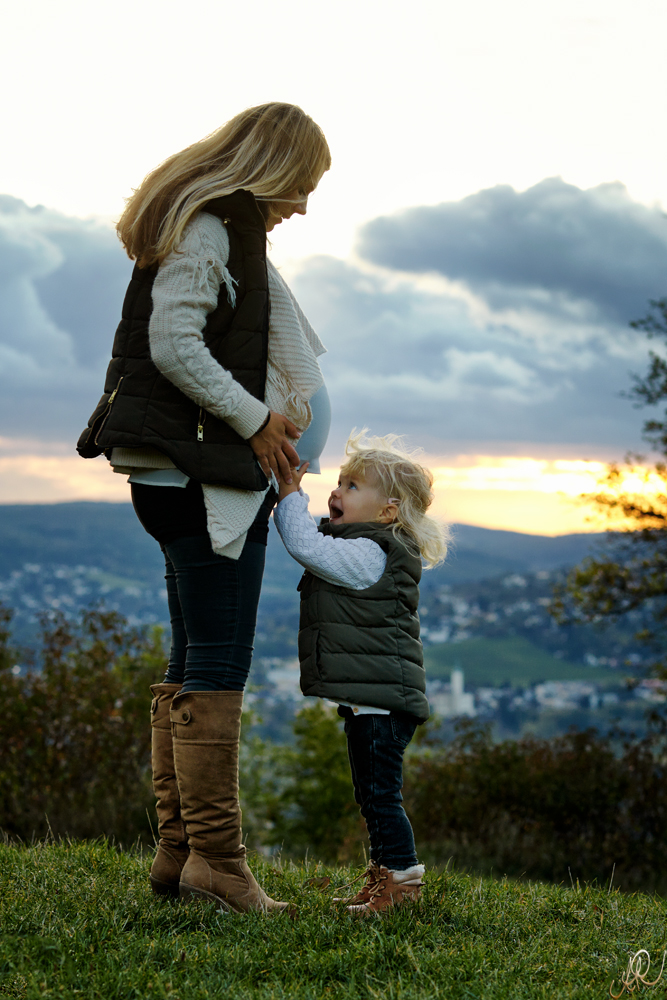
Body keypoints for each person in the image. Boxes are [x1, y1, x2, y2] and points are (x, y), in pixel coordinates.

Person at [77, 103, 331, 913]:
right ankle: (219, 864)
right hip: (196, 475)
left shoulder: (213, 225)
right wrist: (258, 420)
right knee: (218, 666)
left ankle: (179, 856)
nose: (302, 204)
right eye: (303, 184)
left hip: (186, 473)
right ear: (275, 166)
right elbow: (173, 344)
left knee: (192, 662)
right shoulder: (210, 228)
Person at [273, 430, 448, 915]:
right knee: (371, 796)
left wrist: (290, 493)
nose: (337, 491)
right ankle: (384, 877)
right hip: (375, 702)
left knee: (380, 797)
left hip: (382, 705)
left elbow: (306, 546)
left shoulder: (371, 552)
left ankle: (402, 884)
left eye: (353, 486)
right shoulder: (370, 545)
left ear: (388, 511)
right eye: (341, 482)